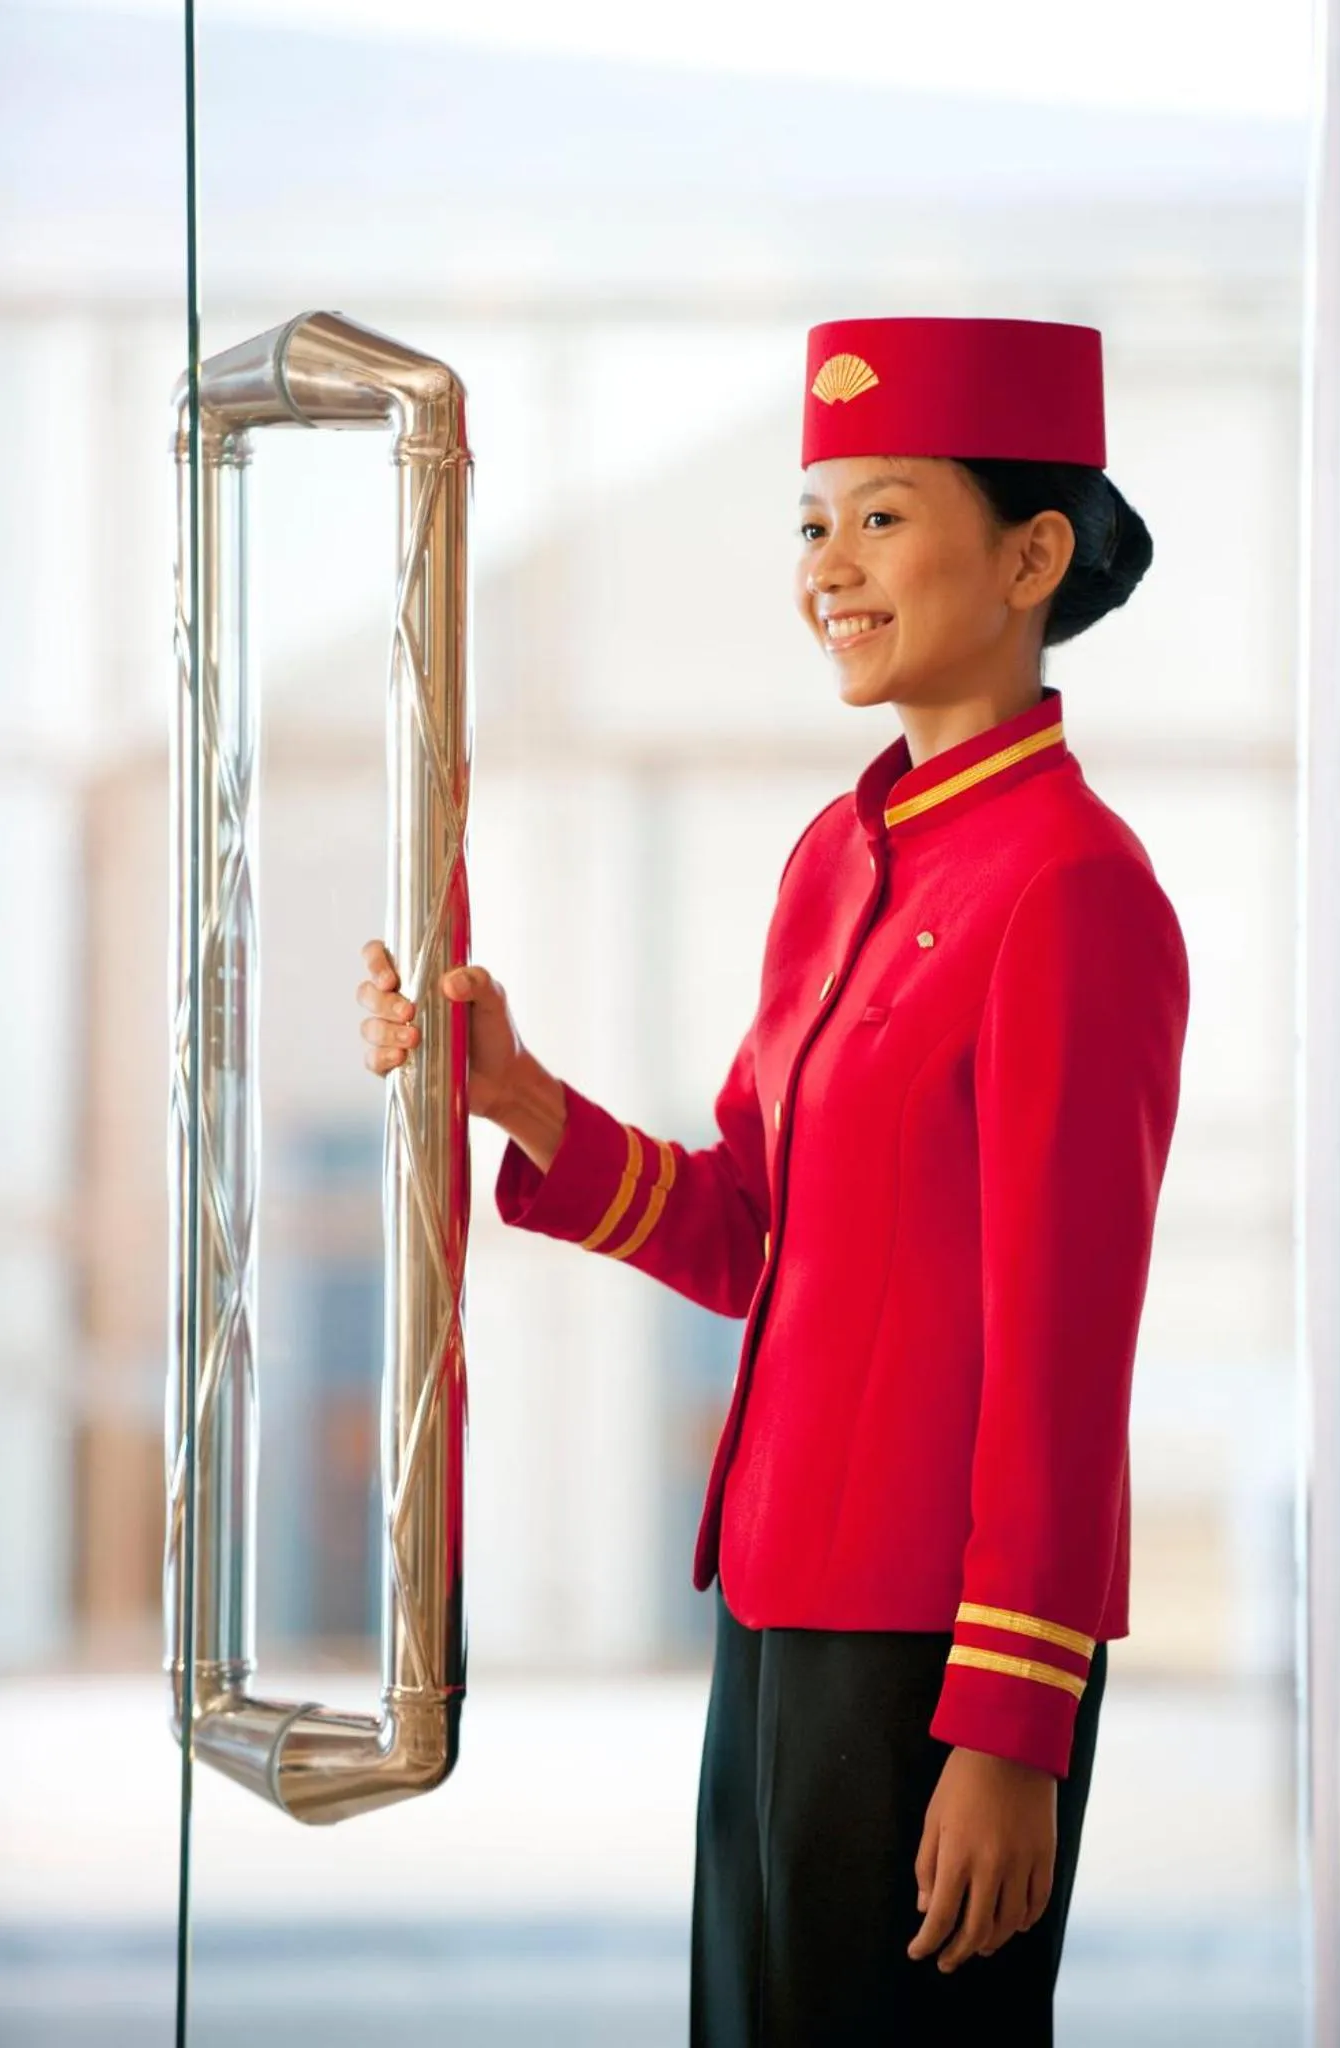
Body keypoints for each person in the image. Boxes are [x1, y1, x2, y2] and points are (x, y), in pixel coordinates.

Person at [356, 314, 1191, 2046]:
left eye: (882, 516)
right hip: (783, 1603)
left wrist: (1010, 1727)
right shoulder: (842, 858)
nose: (828, 567)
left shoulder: (1072, 889)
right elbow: (750, 1225)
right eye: (810, 524)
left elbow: (1065, 1353)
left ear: (1034, 555)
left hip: (934, 1650)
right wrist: (515, 1097)